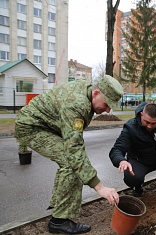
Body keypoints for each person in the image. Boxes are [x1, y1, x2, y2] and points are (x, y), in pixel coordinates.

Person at [14, 75, 123, 234]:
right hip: (32, 127)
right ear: (96, 93)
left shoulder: (87, 93)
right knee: (72, 164)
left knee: (73, 162)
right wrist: (99, 187)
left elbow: (74, 139)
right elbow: (74, 149)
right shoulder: (76, 104)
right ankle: (59, 221)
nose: (107, 110)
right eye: (106, 104)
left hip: (47, 125)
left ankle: (58, 205)